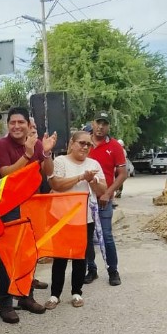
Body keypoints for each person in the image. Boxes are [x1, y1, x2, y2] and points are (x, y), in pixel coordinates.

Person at [0, 106, 56, 323]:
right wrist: (27, 154)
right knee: (9, 256)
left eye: (21, 122)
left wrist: (45, 153)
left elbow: (48, 172)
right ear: (7, 125)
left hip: (33, 205)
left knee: (29, 254)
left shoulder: (36, 144)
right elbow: (6, 175)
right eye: (12, 122)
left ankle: (26, 296)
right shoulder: (1, 145)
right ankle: (5, 302)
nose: (16, 126)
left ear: (29, 126)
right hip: (10, 207)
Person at [46, 130, 107, 309]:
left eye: (89, 144)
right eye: (82, 143)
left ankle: (76, 293)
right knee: (60, 257)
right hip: (61, 217)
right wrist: (81, 177)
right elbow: (57, 184)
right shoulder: (60, 161)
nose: (85, 147)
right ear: (72, 143)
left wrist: (93, 181)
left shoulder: (94, 164)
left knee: (81, 257)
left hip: (85, 218)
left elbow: (102, 190)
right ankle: (54, 295)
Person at [86, 113, 126, 286]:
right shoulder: (84, 143)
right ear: (93, 123)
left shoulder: (115, 146)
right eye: (98, 123)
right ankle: (91, 269)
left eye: (104, 124)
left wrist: (108, 193)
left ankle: (113, 270)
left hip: (104, 199)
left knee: (107, 236)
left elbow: (123, 174)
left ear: (109, 126)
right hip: (84, 198)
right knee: (86, 237)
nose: (101, 127)